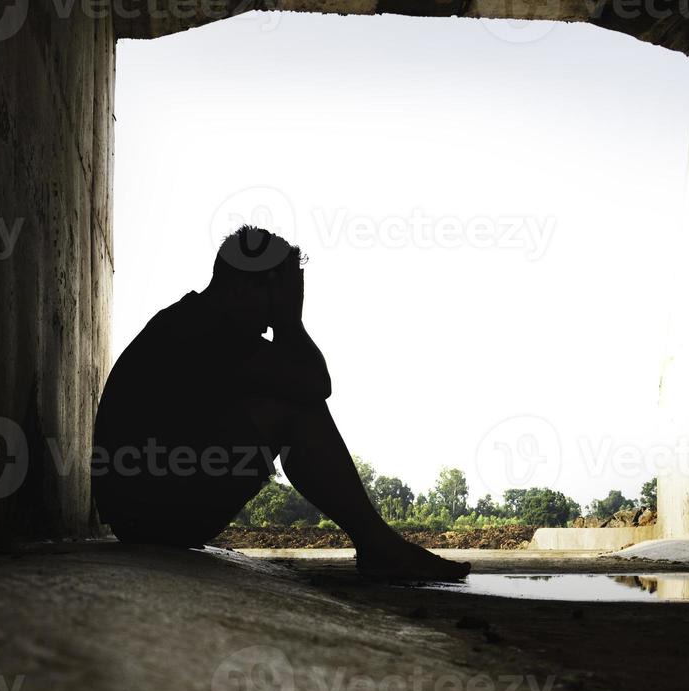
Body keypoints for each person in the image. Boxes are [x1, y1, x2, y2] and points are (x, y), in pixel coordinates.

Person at [93, 225, 469, 580]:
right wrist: (291, 322)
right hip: (152, 515)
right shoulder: (205, 328)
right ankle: (378, 544)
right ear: (244, 285)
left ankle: (378, 542)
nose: (269, 320)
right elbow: (315, 384)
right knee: (296, 406)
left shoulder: (195, 320)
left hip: (144, 513)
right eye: (276, 297)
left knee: (290, 392)